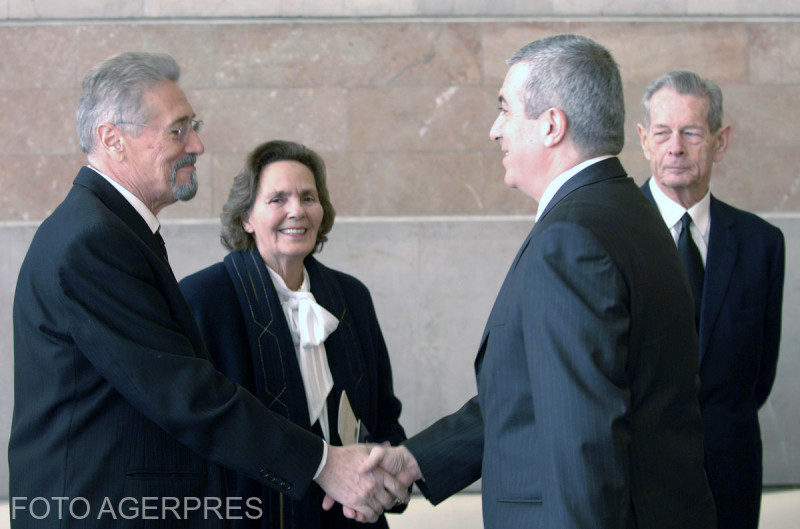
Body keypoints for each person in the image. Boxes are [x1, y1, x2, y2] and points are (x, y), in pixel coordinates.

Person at [8, 51, 405, 528]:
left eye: (193, 127)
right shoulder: (93, 241)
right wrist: (323, 464)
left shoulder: (108, 229)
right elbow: (185, 393)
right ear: (113, 139)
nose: (196, 144)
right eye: (178, 130)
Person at [356, 34, 718, 528]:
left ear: (551, 125)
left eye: (505, 109)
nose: (495, 130)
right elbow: (540, 394)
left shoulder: (571, 239)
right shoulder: (628, 211)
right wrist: (418, 459)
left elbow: (584, 443)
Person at [178, 139, 408, 529]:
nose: (297, 210)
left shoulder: (351, 296)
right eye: (277, 199)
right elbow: (200, 428)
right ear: (246, 217)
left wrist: (386, 481)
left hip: (350, 519)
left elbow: (383, 414)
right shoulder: (203, 299)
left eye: (308, 197)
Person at [636, 70, 785, 529]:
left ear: (720, 141)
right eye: (662, 133)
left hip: (730, 474)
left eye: (691, 133)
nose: (675, 148)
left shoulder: (762, 244)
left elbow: (758, 376)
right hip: (637, 477)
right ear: (643, 140)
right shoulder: (608, 236)